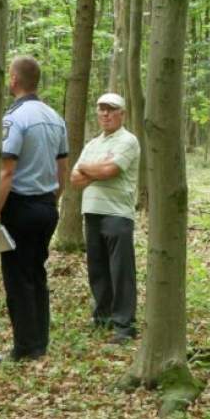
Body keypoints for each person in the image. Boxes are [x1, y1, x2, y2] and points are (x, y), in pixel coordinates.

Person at [0, 55, 68, 361]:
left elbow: (6, 171)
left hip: (20, 207)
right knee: (36, 273)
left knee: (18, 277)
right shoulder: (55, 117)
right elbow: (62, 166)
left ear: (14, 80)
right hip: (46, 206)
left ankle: (25, 347)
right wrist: (54, 197)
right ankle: (39, 341)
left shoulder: (14, 119)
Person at [70, 93, 140, 342]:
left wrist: (92, 168)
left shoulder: (128, 141)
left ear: (122, 113)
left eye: (111, 110)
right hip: (92, 212)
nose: (106, 114)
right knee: (97, 269)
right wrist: (97, 169)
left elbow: (111, 170)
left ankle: (124, 325)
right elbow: (74, 179)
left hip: (117, 213)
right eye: (102, 110)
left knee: (120, 270)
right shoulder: (92, 144)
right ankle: (103, 318)